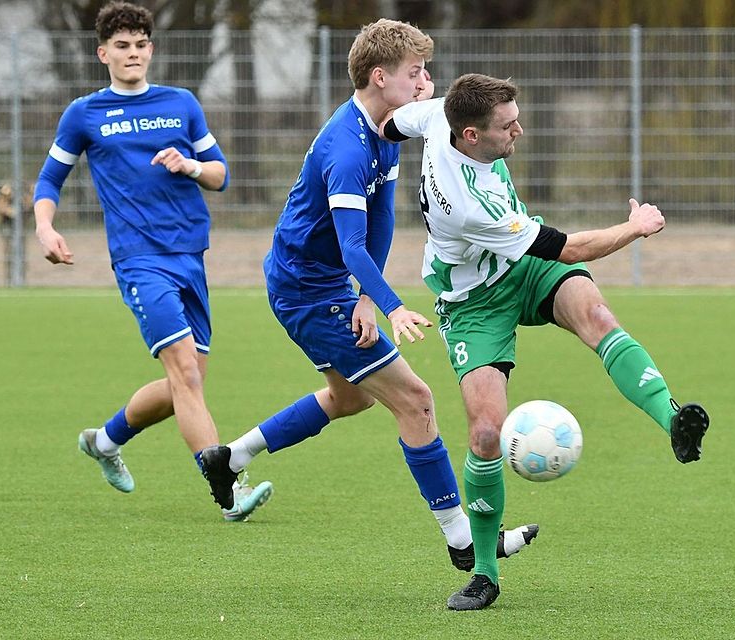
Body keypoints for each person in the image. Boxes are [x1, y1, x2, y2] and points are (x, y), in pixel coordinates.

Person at [381, 73, 711, 610]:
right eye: (507, 127)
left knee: (597, 315)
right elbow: (572, 249)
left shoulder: (437, 113)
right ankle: (483, 572)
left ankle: (672, 418)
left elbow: (393, 123)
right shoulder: (471, 204)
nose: (520, 132)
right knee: (487, 434)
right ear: (469, 135)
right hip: (473, 302)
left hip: (523, 267)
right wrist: (636, 226)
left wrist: (382, 133)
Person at [221, 20, 537, 571]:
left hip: (328, 285)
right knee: (415, 401)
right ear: (379, 76)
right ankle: (465, 542)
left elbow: (381, 221)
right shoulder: (346, 149)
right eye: (415, 72)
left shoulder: (384, 131)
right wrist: (390, 305)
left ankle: (228, 458)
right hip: (306, 291)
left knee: (351, 397)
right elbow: (350, 245)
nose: (425, 82)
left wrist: (366, 300)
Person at [32, 1, 272, 521]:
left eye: (141, 44)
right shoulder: (84, 114)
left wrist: (189, 164)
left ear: (151, 49)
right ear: (103, 54)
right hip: (139, 261)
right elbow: (50, 179)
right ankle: (227, 489)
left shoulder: (181, 103)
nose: (133, 53)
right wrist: (45, 226)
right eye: (122, 46)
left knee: (185, 384)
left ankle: (104, 440)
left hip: (191, 255)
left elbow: (221, 175)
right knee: (185, 372)